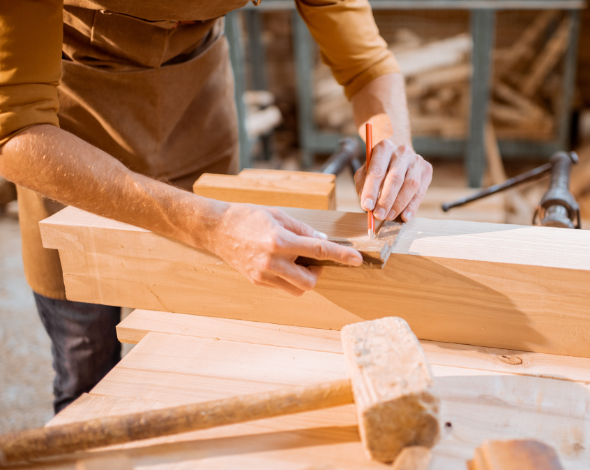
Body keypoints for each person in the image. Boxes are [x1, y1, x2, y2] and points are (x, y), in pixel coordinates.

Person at [0, 0, 432, 413]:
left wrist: (391, 144)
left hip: (196, 109)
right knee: (86, 364)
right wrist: (211, 225)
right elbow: (15, 131)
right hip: (67, 137)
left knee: (203, 355)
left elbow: (365, 64)